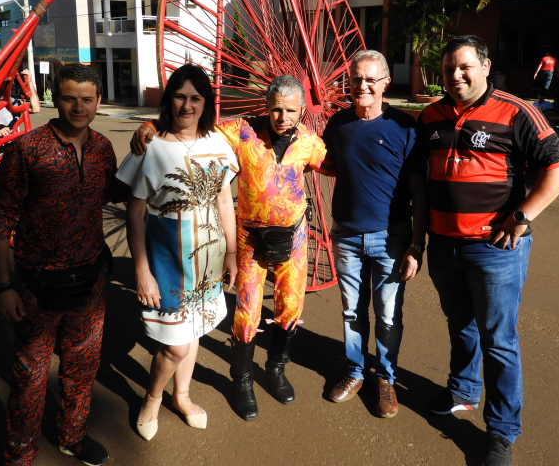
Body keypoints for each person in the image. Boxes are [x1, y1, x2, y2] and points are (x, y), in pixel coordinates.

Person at [410, 36, 559, 466]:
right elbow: (422, 182)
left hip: (494, 248)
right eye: (448, 70)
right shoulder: (430, 116)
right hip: (445, 246)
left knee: (499, 341)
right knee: (460, 323)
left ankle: (501, 432)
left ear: (485, 66)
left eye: (464, 67)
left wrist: (522, 217)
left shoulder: (515, 111)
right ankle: (463, 390)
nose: (456, 76)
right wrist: (421, 238)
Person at [130, 74, 329, 421]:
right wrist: (151, 124)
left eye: (291, 111)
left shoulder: (310, 142)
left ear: (301, 112)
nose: (283, 117)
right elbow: (193, 125)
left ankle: (276, 370)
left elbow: (336, 165)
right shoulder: (241, 131)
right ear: (266, 106)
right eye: (277, 109)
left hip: (293, 238)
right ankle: (242, 379)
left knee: (290, 307)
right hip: (250, 238)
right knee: (247, 311)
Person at [0, 63, 121, 466]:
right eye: (68, 98)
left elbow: (113, 191)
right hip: (35, 286)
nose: (78, 107)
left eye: (86, 99)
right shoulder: (28, 150)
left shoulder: (102, 148)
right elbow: (0, 220)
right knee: (29, 378)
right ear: (55, 99)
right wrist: (2, 286)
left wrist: (144, 146)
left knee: (82, 369)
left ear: (97, 101)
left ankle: (72, 436)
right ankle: (19, 454)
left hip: (89, 283)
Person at [117, 64, 239, 441]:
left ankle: (181, 396)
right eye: (180, 96)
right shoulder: (148, 147)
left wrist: (232, 253)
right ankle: (153, 399)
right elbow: (135, 215)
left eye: (196, 98)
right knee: (175, 344)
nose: (187, 105)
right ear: (169, 99)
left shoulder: (218, 143)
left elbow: (224, 203)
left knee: (195, 330)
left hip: (208, 258)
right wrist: (141, 271)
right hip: (167, 258)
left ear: (206, 104)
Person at [322, 49, 427, 419]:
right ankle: (354, 371)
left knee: (387, 315)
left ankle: (385, 378)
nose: (361, 86)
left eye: (370, 79)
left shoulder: (405, 128)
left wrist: (417, 243)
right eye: (355, 79)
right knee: (352, 312)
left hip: (391, 239)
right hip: (347, 236)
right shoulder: (338, 125)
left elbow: (419, 192)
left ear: (385, 82)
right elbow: (321, 160)